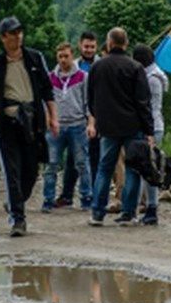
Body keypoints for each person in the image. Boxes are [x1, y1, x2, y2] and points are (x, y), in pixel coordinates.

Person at [0, 17, 57, 237]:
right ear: (3, 37)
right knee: (12, 172)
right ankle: (18, 219)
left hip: (31, 122)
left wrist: (53, 117)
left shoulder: (35, 58)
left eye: (20, 32)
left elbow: (47, 90)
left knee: (31, 172)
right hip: (7, 124)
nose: (18, 36)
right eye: (13, 33)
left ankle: (15, 201)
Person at [88, 28, 155, 227]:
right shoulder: (135, 67)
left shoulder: (97, 67)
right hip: (132, 126)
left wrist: (98, 118)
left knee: (104, 168)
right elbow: (143, 101)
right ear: (126, 44)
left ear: (109, 43)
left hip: (107, 126)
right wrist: (149, 130)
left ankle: (97, 213)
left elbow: (90, 99)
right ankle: (128, 213)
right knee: (132, 169)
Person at [43, 42, 92, 212]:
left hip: (77, 124)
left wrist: (90, 122)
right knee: (51, 164)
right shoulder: (50, 77)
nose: (63, 60)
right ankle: (48, 199)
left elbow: (88, 102)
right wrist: (48, 119)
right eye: (60, 57)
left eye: (66, 56)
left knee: (82, 163)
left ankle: (86, 197)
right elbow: (45, 102)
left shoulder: (83, 77)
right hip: (56, 126)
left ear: (73, 56)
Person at [60, 32, 101, 207]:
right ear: (80, 46)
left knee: (94, 158)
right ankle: (67, 195)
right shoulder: (73, 65)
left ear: (96, 46)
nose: (89, 50)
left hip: (97, 115)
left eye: (92, 47)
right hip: (76, 117)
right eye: (86, 46)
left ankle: (93, 195)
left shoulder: (101, 65)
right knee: (72, 159)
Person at [132, 44, 168, 226]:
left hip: (152, 128)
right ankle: (141, 207)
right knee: (143, 169)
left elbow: (148, 106)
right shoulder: (155, 75)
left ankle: (151, 207)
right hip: (151, 126)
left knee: (149, 170)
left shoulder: (152, 79)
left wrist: (148, 131)